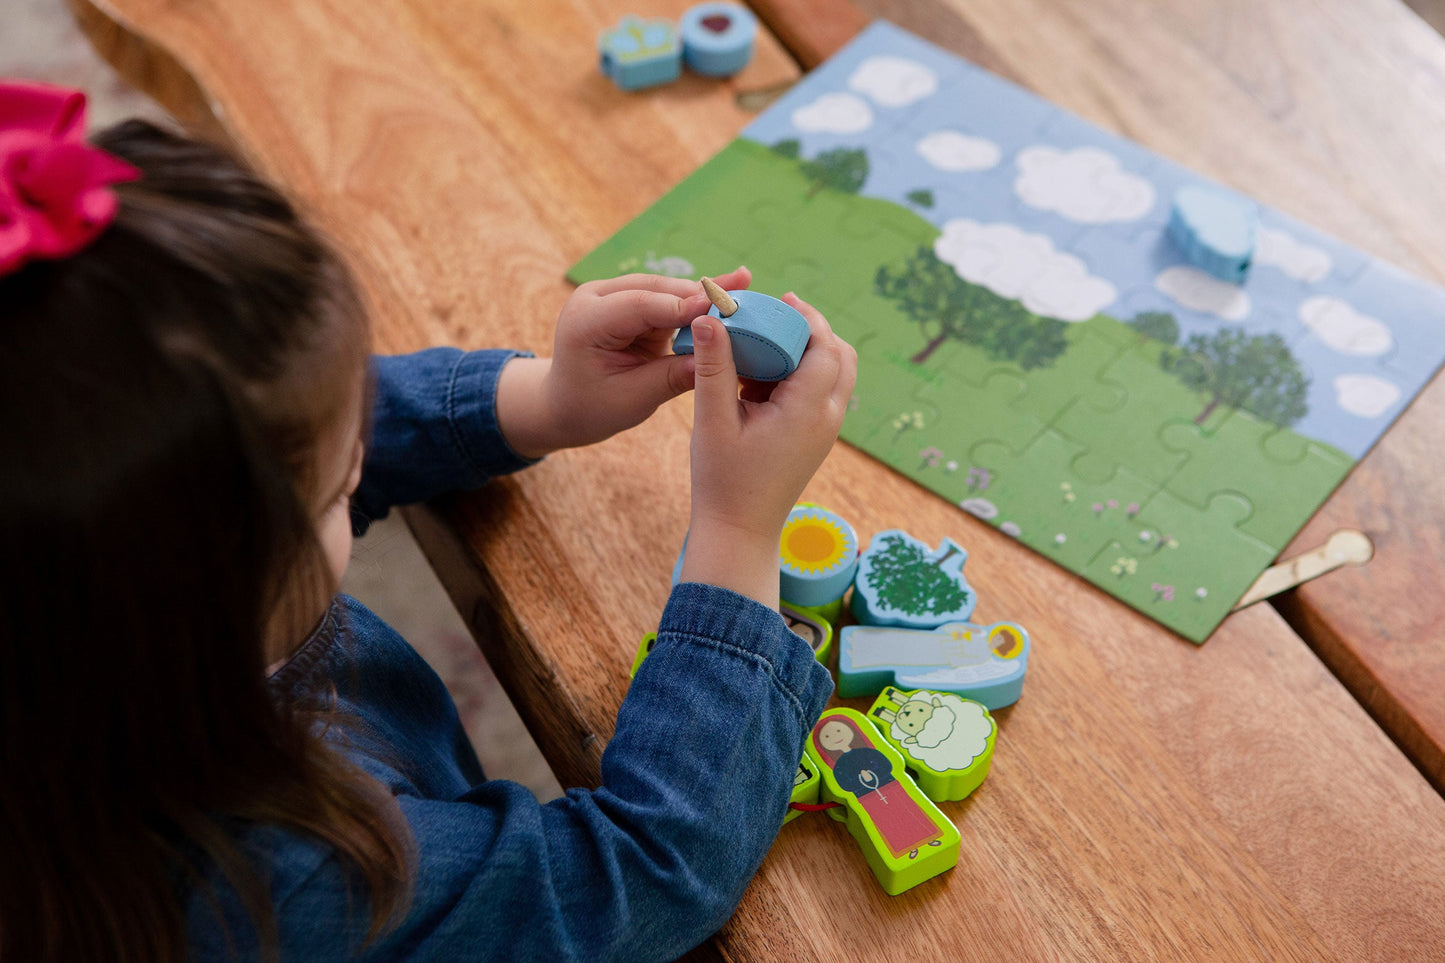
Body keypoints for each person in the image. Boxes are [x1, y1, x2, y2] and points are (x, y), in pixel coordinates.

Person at [0, 81, 856, 962]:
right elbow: (642, 875)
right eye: (337, 488)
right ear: (195, 593)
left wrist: (543, 400)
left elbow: (285, 425)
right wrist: (737, 532)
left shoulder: (78, 552)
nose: (359, 459)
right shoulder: (296, 888)